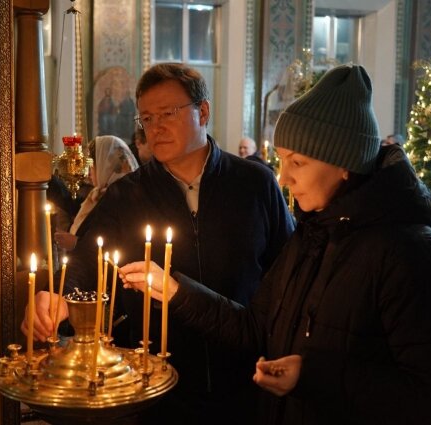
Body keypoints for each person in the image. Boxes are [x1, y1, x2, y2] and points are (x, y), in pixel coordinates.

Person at [119, 64, 431, 425]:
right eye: (282, 160)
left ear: (344, 164)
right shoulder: (312, 236)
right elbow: (255, 327)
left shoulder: (410, 253)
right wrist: (175, 290)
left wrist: (313, 375)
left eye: (298, 162)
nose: (283, 177)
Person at [23, 62, 295, 425]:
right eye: (147, 119)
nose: (156, 127)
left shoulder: (254, 184)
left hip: (248, 376)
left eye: (168, 113)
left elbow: (289, 272)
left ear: (203, 112)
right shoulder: (126, 194)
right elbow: (88, 261)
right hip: (160, 384)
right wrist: (59, 293)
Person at [54, 135, 139, 251]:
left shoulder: (121, 198)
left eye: (92, 166)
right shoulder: (99, 193)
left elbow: (117, 245)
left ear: (106, 166)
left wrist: (76, 244)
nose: (89, 173)